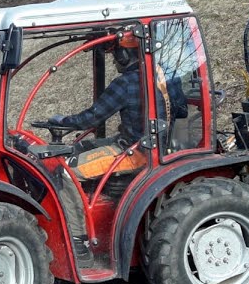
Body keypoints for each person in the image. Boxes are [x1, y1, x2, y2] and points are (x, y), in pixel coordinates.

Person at [47, 33, 187, 181]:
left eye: (115, 55)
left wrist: (63, 121)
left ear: (124, 56)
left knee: (65, 172)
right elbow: (183, 111)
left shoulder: (125, 83)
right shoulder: (168, 77)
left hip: (137, 152)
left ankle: (76, 205)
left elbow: (91, 119)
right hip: (158, 148)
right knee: (82, 146)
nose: (114, 62)